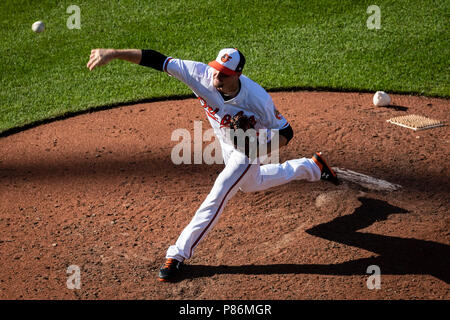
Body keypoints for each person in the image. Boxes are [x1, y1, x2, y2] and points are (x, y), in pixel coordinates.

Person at [87, 47, 339, 282]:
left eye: (226, 73)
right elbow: (158, 60)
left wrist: (256, 148)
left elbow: (286, 132)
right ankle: (313, 166)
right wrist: (113, 53)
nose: (218, 74)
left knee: (220, 191)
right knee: (251, 184)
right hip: (228, 143)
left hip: (251, 147)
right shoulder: (200, 74)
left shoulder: (257, 99)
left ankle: (177, 254)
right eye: (217, 67)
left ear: (238, 75)